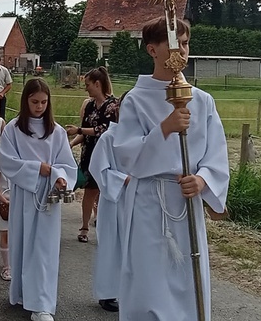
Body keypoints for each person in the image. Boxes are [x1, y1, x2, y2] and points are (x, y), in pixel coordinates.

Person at [113, 17, 229, 321]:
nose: (182, 51)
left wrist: (203, 180)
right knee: (149, 278)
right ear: (152, 49)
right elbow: (125, 155)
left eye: (186, 43)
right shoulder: (136, 100)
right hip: (149, 201)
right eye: (174, 44)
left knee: (185, 281)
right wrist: (164, 128)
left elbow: (216, 155)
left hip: (185, 200)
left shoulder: (203, 101)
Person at [0, 78, 78, 321]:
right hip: (25, 193)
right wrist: (37, 168)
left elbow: (66, 163)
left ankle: (43, 304)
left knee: (44, 249)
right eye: (35, 102)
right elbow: (7, 162)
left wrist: (60, 176)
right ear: (25, 101)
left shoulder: (57, 131)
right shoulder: (12, 129)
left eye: (44, 102)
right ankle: (23, 293)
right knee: (23, 244)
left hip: (48, 197)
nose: (40, 106)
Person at [65, 66, 117, 243]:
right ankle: (85, 226)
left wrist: (78, 130)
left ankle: (103, 226)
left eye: (88, 84)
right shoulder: (89, 105)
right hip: (89, 154)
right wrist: (72, 143)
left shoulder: (112, 106)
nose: (86, 88)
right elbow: (86, 131)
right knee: (89, 191)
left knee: (103, 192)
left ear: (97, 84)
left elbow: (102, 130)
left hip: (105, 155)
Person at [88, 94, 128, 313]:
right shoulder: (109, 138)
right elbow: (99, 169)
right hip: (114, 199)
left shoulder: (145, 136)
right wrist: (124, 180)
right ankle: (108, 292)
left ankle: (132, 292)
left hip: (138, 201)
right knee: (112, 245)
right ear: (118, 109)